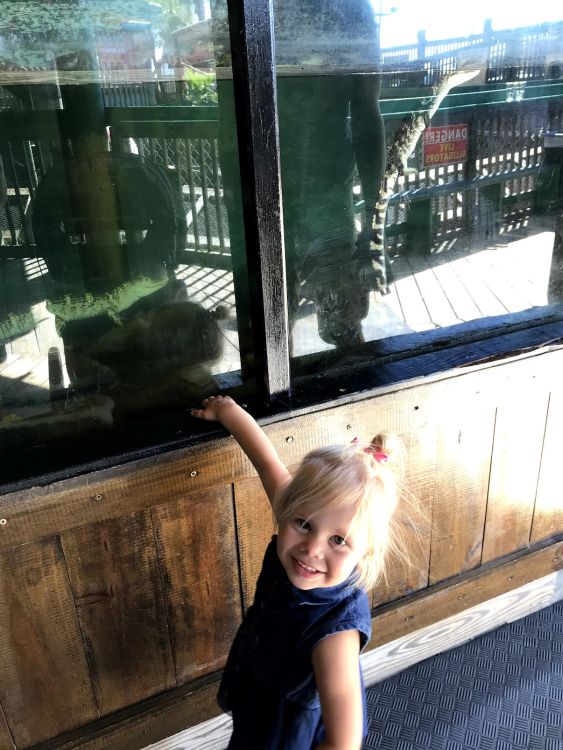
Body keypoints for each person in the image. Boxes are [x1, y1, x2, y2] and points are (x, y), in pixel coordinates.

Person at [191, 395, 404, 749]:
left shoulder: (335, 638)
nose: (312, 548)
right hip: (262, 693)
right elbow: (267, 462)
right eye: (304, 524)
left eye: (338, 540)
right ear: (289, 510)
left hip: (284, 735)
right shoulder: (296, 514)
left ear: (365, 552)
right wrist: (228, 412)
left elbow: (345, 743)